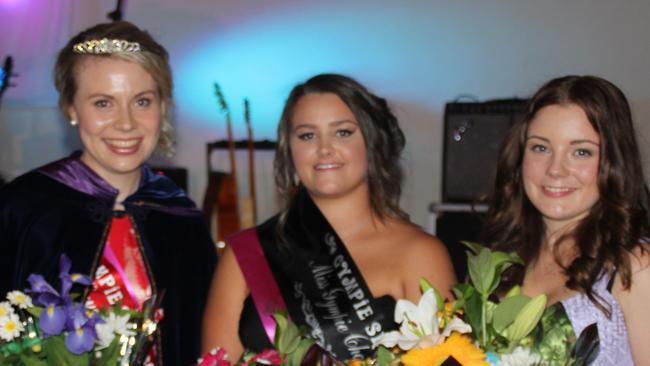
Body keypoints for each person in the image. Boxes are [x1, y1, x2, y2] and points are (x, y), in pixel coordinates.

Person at [0, 21, 217, 365]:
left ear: (163, 106)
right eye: (103, 103)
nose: (126, 123)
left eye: (142, 101)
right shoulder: (23, 209)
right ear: (71, 108)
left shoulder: (181, 218)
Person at [202, 73, 456, 361]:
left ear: (373, 144)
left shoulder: (421, 254)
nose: (324, 149)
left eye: (343, 132)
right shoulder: (246, 253)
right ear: (289, 151)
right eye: (307, 135)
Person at [481, 75, 650, 365]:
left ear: (613, 163)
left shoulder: (635, 267)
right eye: (541, 148)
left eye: (581, 152)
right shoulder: (501, 262)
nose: (556, 169)